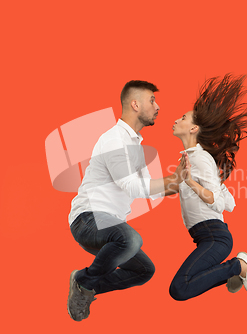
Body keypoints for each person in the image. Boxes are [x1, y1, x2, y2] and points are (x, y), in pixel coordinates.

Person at [67, 80, 179, 321]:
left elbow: (149, 190)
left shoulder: (135, 145)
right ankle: (83, 281)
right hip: (88, 219)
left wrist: (184, 183)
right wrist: (174, 179)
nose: (157, 106)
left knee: (144, 270)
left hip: (109, 229)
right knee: (131, 239)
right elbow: (131, 186)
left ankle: (88, 287)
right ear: (135, 104)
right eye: (152, 100)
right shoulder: (114, 140)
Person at [169, 74, 247, 301]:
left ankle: (238, 266)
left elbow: (219, 203)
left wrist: (190, 182)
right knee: (185, 285)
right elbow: (228, 202)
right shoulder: (192, 159)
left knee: (179, 289)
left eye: (183, 118)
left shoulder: (200, 159)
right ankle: (233, 272)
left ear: (193, 129)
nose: (177, 120)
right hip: (206, 236)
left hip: (214, 236)